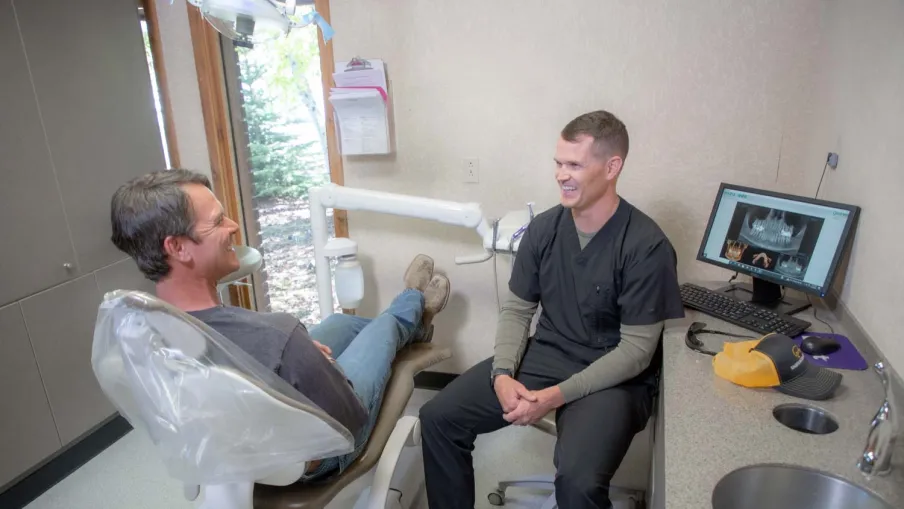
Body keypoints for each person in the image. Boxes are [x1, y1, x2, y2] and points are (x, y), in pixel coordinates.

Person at [109, 169, 451, 481]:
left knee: (338, 324)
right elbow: (347, 417)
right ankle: (411, 306)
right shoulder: (275, 335)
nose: (233, 226)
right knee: (384, 326)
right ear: (178, 247)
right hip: (323, 446)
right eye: (217, 222)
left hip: (253, 429)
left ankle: (414, 324)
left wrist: (294, 355)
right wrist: (317, 365)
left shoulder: (142, 330)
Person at [419, 110, 685, 508]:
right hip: (548, 354)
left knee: (577, 482)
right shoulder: (545, 230)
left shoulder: (646, 246)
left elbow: (635, 353)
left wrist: (554, 397)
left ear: (612, 167)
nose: (562, 175)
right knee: (438, 418)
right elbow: (517, 310)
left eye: (575, 165)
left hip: (617, 376)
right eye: (558, 163)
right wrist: (502, 374)